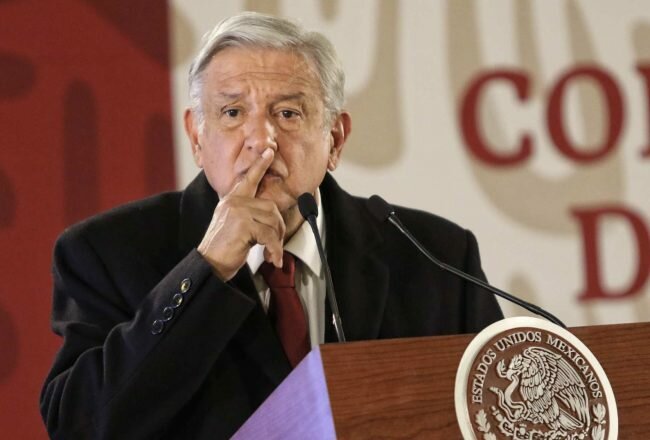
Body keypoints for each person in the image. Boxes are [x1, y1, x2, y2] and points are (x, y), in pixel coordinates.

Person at [40, 12, 503, 439]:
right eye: (232, 113)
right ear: (197, 137)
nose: (262, 140)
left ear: (335, 139)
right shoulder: (107, 252)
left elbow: (500, 413)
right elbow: (79, 425)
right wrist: (206, 270)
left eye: (287, 114)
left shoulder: (435, 256)